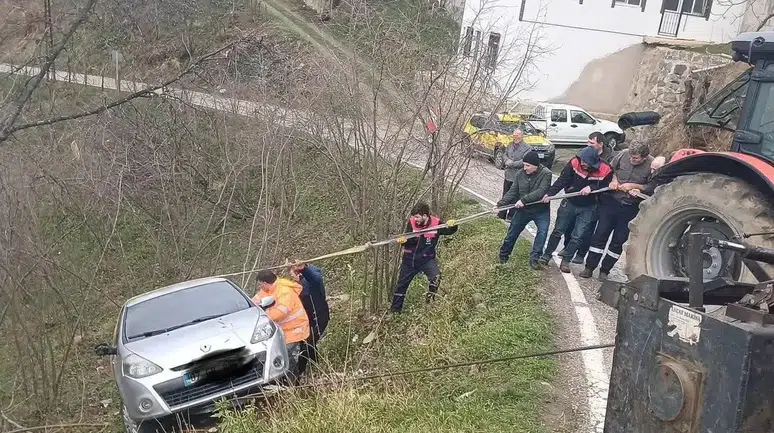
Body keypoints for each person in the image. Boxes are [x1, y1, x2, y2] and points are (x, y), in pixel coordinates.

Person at [580, 142, 653, 281]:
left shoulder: (651, 164)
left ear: (644, 157)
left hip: (631, 208)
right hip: (611, 202)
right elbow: (610, 169)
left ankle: (605, 270)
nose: (632, 159)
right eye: (631, 156)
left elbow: (652, 186)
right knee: (600, 235)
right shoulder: (623, 154)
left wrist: (636, 187)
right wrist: (613, 180)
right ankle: (589, 267)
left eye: (636, 158)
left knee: (618, 241)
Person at [539, 146, 613, 273]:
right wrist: (550, 194)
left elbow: (607, 186)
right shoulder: (574, 162)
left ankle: (566, 261)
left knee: (578, 236)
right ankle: (546, 255)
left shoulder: (606, 169)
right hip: (570, 202)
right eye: (582, 160)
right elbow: (562, 180)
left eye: (585, 162)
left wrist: (591, 188)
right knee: (558, 230)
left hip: (588, 207)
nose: (582, 163)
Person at [390, 202, 458, 313]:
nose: (414, 219)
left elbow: (449, 231)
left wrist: (453, 225)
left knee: (436, 277)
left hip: (427, 260)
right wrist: (404, 241)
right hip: (410, 260)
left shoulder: (437, 223)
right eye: (413, 217)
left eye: (417, 217)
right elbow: (408, 241)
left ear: (425, 216)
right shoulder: (411, 223)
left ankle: (429, 302)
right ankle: (395, 311)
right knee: (401, 286)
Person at [560, 132, 614, 264]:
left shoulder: (610, 158)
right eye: (588, 142)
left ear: (600, 144)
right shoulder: (583, 154)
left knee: (587, 229)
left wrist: (593, 189)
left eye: (592, 143)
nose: (588, 145)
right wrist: (569, 189)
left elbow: (608, 180)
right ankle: (567, 248)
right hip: (576, 196)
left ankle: (581, 254)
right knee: (570, 226)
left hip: (596, 200)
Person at [496, 151, 553, 269]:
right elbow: (513, 191)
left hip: (541, 210)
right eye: (524, 165)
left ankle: (535, 259)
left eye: (528, 165)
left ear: (535, 165)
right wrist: (500, 204)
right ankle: (503, 256)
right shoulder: (520, 174)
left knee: (542, 232)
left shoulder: (546, 174)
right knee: (512, 232)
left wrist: (523, 200)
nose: (525, 168)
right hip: (524, 210)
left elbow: (541, 191)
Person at [253, 270, 310, 383]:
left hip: (296, 329)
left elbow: (281, 312)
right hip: (282, 331)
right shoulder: (268, 290)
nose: (260, 286)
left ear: (265, 283)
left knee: (285, 354)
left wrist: (263, 315)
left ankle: (294, 380)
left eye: (260, 284)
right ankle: (286, 378)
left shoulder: (285, 291)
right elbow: (256, 300)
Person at [289, 261, 329, 375]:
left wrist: (304, 268)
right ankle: (317, 365)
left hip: (319, 318)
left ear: (298, 274)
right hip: (308, 321)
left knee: (307, 345)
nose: (291, 277)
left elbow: (316, 278)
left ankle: (298, 373)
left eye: (292, 274)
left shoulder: (311, 283)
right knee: (307, 343)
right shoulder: (300, 285)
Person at [499, 129, 532, 221]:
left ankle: (511, 215)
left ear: (522, 136)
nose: (515, 137)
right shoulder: (510, 145)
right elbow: (504, 155)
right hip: (508, 175)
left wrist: (512, 164)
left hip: (518, 176)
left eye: (517, 135)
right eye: (514, 135)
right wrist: (507, 161)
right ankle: (501, 213)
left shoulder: (527, 148)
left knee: (515, 196)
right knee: (505, 194)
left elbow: (524, 161)